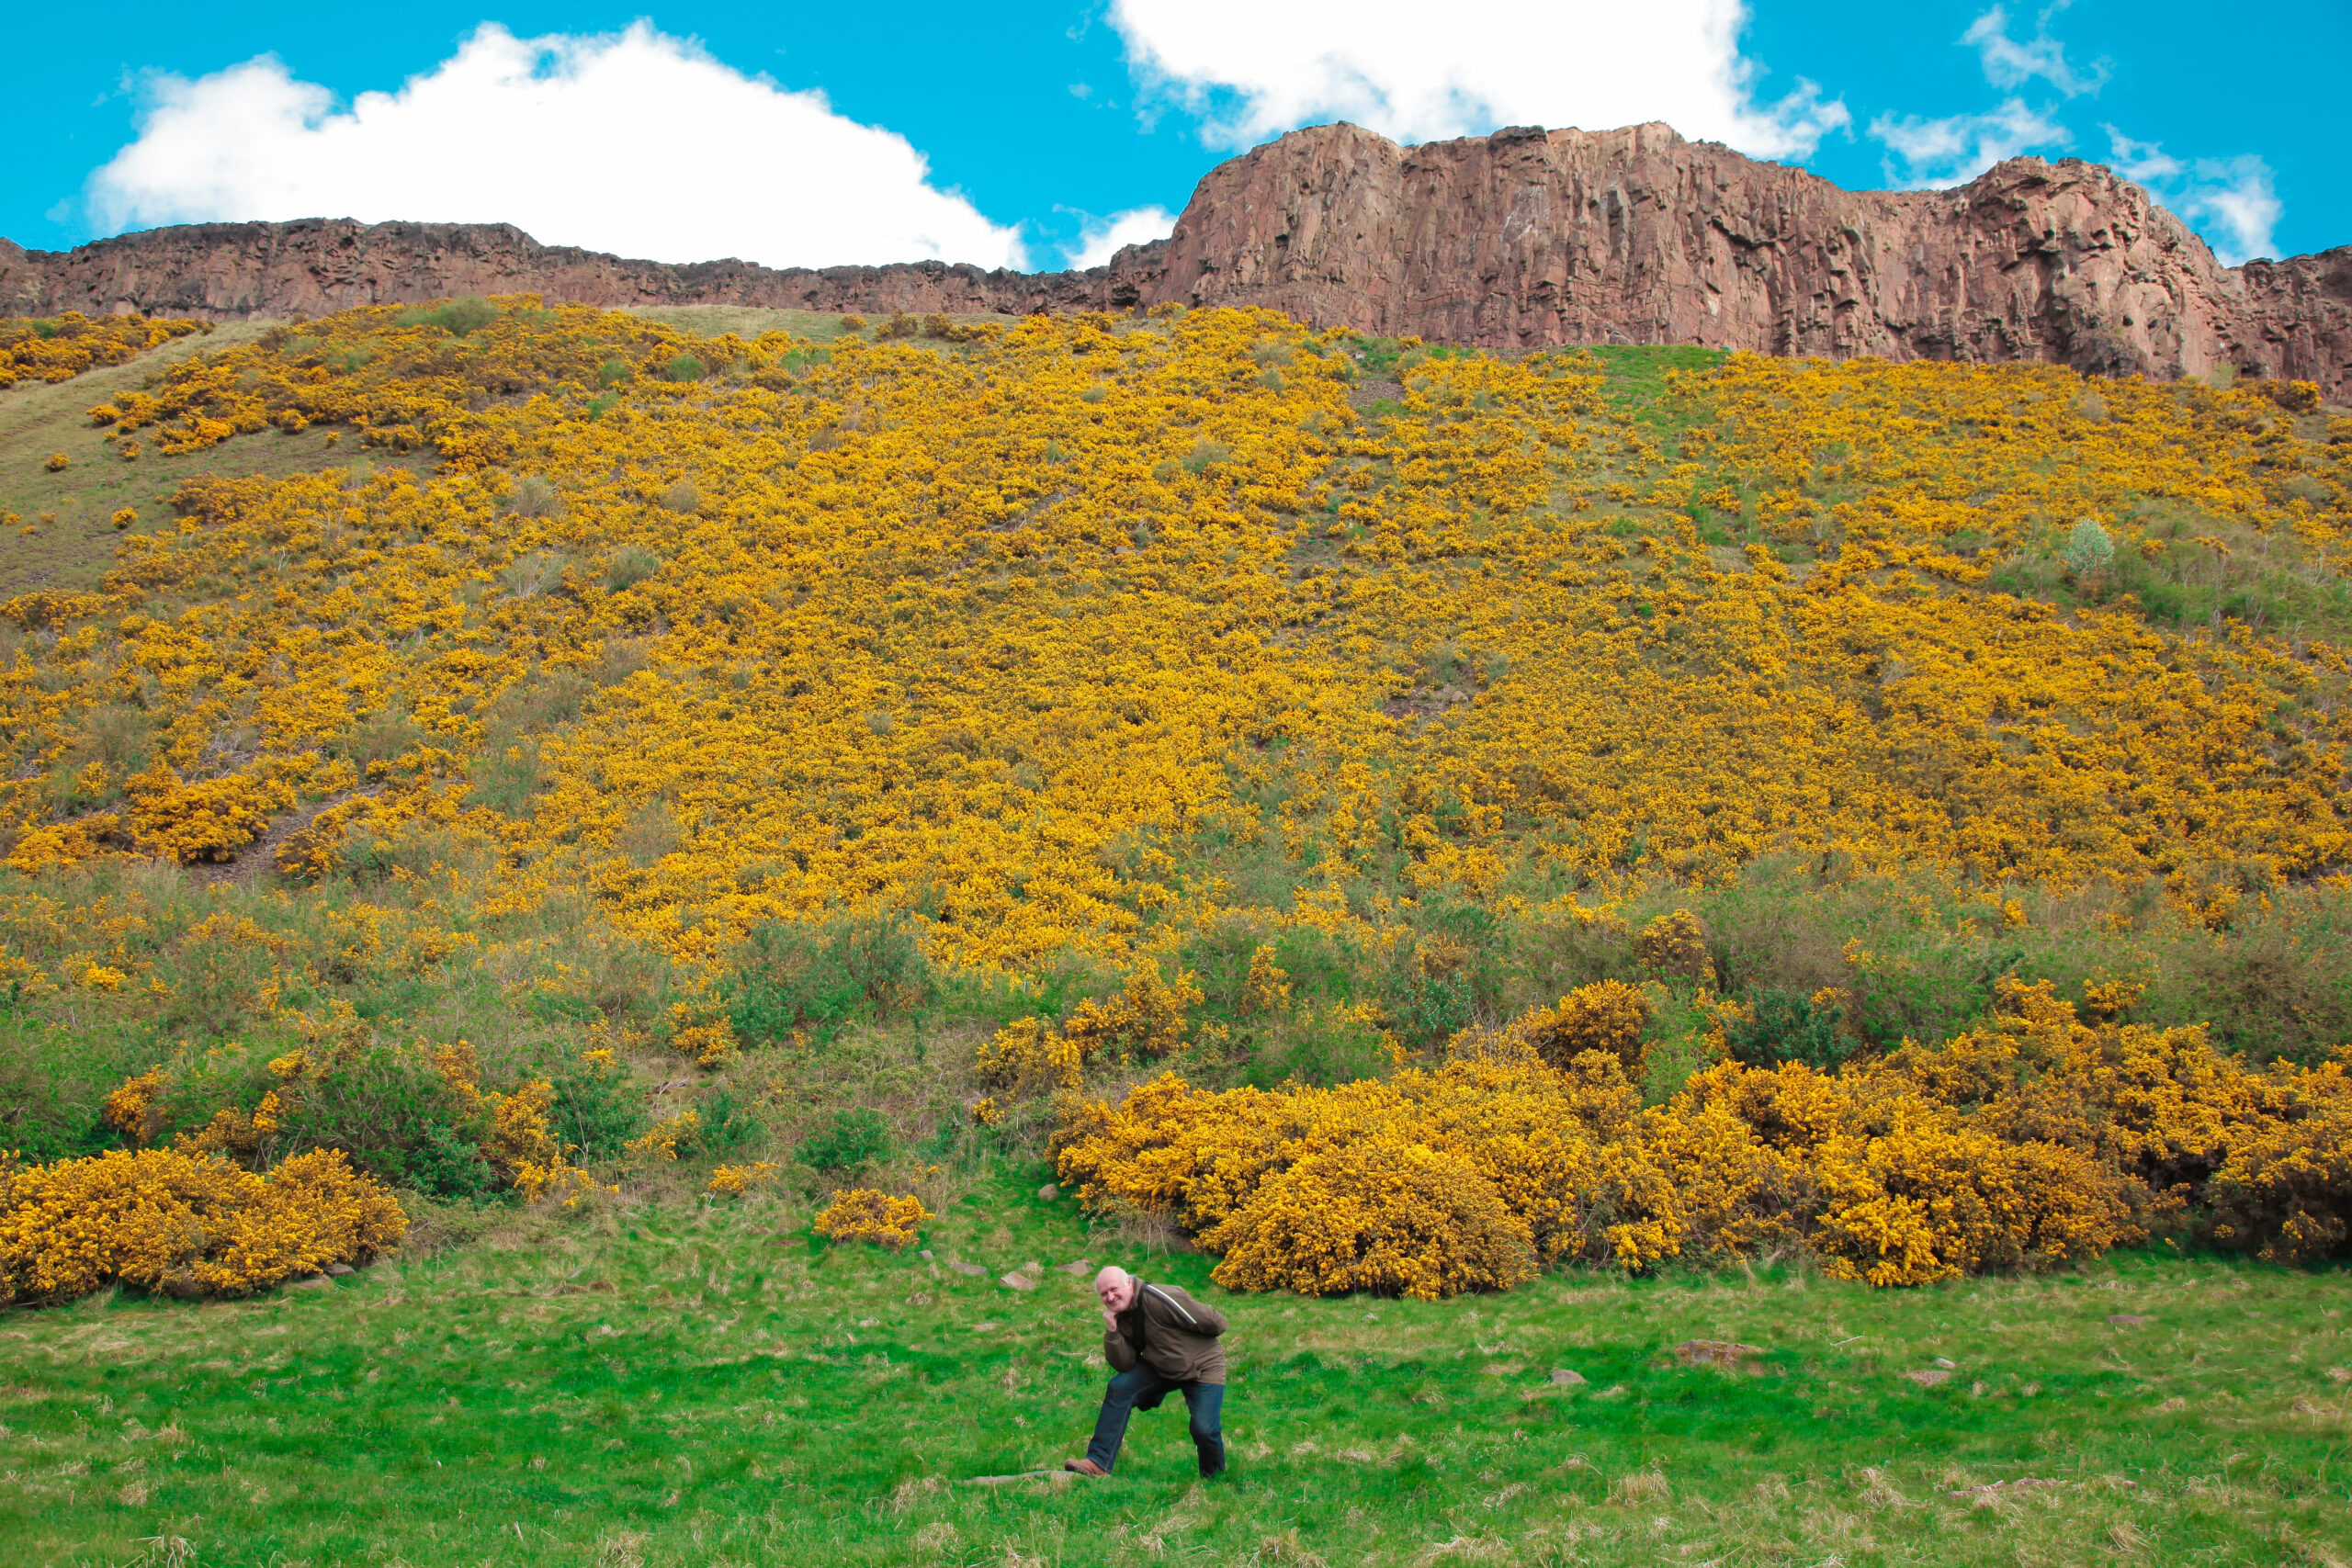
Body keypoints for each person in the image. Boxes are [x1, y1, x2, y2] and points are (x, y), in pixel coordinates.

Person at [1064, 1265, 1228, 1479]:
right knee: (1120, 1388)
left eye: (1114, 1289)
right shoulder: (1120, 1316)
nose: (1110, 1297)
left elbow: (1216, 1323)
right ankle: (1098, 1463)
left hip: (1203, 1366)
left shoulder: (1159, 1297)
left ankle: (1214, 1479)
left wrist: (1190, 1348)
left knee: (1204, 1429)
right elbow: (1124, 1365)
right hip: (1161, 1366)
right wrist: (1112, 1332)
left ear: (1129, 1283)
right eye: (1104, 1294)